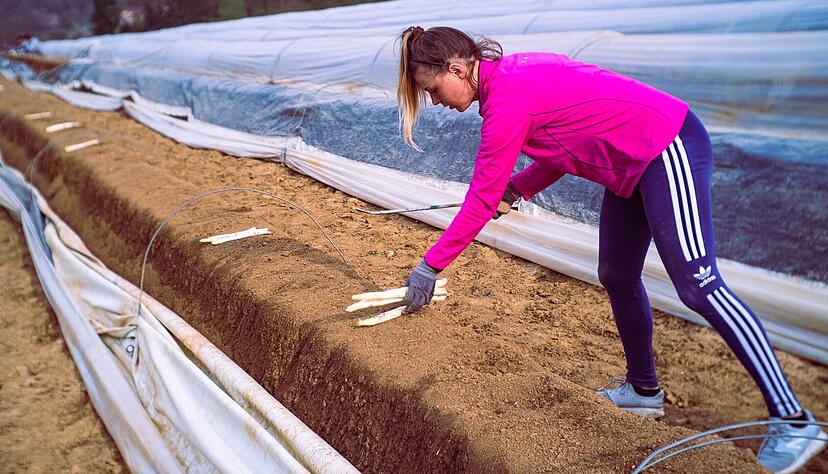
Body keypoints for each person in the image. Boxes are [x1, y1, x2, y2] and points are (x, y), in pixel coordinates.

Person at [395, 25, 826, 473]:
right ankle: (643, 391)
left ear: (458, 69)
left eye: (432, 89)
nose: (436, 101)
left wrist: (430, 266)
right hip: (630, 164)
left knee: (700, 286)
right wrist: (519, 187)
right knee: (617, 273)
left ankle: (794, 421)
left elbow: (481, 199)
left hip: (665, 146)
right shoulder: (510, 80)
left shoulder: (507, 101)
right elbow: (565, 141)